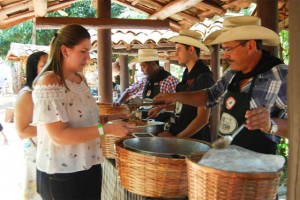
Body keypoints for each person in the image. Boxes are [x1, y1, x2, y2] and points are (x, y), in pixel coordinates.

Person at [154, 16, 288, 155]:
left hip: (257, 169)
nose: (225, 56)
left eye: (229, 49)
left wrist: (270, 124)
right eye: (223, 50)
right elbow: (210, 96)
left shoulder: (281, 76)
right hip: (225, 161)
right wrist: (176, 97)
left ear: (250, 45)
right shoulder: (233, 73)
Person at [31, 24, 130, 200]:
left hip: (89, 164)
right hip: (62, 172)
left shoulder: (79, 80)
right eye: (83, 51)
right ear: (65, 50)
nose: (88, 58)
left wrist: (110, 118)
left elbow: (84, 120)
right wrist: (106, 130)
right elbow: (59, 135)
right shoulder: (49, 82)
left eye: (89, 51)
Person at [148, 30, 214, 142]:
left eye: (179, 49)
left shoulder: (203, 76)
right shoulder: (187, 73)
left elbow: (203, 118)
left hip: (194, 142)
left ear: (191, 49)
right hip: (181, 137)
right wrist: (163, 108)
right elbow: (185, 107)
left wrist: (177, 140)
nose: (176, 54)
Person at [14, 51, 48, 200]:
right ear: (34, 69)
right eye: (44, 65)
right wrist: (54, 130)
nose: (49, 68)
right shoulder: (27, 94)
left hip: (48, 152)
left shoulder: (46, 91)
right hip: (35, 153)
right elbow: (21, 131)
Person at [114, 49, 179, 122]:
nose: (141, 70)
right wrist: (118, 103)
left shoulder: (170, 81)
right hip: (147, 121)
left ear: (153, 64)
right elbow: (129, 92)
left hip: (165, 123)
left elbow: (179, 105)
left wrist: (161, 108)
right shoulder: (145, 81)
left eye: (143, 66)